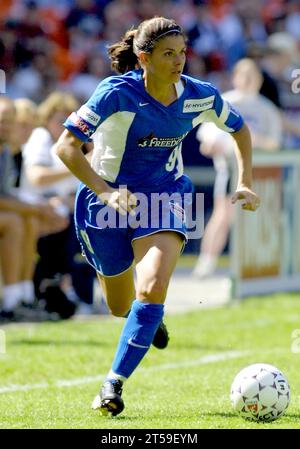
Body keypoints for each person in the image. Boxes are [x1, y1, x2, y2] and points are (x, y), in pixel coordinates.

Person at [53, 17, 260, 416]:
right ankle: (146, 322)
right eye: (168, 54)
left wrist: (246, 179)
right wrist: (106, 192)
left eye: (182, 52)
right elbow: (65, 148)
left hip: (164, 195)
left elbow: (239, 128)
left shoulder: (200, 95)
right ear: (144, 58)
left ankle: (112, 384)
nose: (179, 61)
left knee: (151, 288)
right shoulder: (114, 93)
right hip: (106, 200)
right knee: (120, 305)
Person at [192, 58, 282, 278]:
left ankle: (257, 267)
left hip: (260, 173)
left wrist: (256, 140)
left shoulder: (266, 107)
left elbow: (275, 142)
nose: (250, 81)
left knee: (258, 220)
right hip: (230, 171)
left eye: (254, 77)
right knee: (223, 216)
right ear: (236, 78)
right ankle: (207, 261)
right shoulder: (224, 102)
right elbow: (207, 140)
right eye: (245, 76)